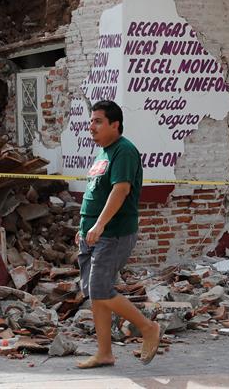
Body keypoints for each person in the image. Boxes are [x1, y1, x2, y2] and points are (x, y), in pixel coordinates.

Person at [75, 100, 161, 369]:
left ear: (116, 125)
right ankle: (104, 353)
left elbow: (120, 190)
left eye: (98, 121)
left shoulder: (123, 151)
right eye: (91, 121)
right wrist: (83, 228)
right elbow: (95, 193)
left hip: (113, 233)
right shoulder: (103, 152)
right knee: (94, 292)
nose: (92, 127)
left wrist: (99, 225)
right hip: (91, 234)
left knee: (100, 289)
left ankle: (148, 328)